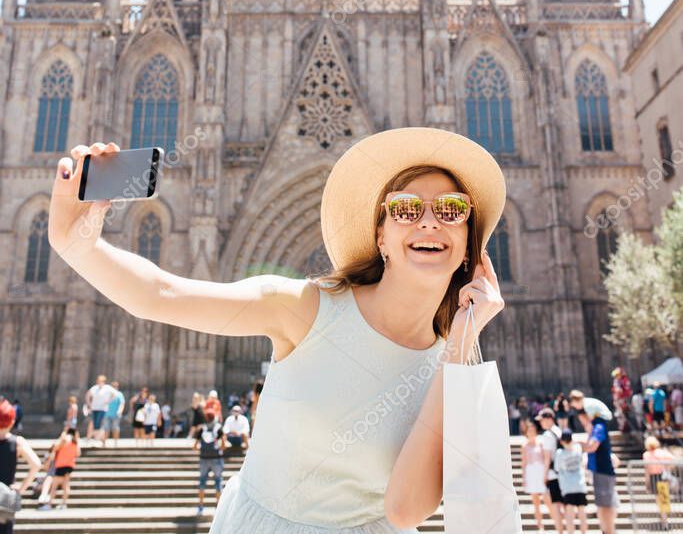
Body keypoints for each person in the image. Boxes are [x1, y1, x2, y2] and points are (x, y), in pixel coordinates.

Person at [47, 129, 508, 532]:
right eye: (406, 208)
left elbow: (406, 510)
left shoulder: (459, 364)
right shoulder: (303, 309)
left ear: (470, 244)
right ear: (381, 237)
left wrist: (460, 343)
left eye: (452, 209)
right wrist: (78, 245)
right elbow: (162, 294)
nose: (429, 220)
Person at [576, 405, 620, 534]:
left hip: (602, 471)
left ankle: (609, 531)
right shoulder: (596, 427)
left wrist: (576, 444)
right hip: (599, 471)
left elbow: (592, 446)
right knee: (602, 505)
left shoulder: (598, 426)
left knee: (605, 505)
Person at [0, 399, 41, 534]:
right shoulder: (17, 442)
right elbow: (36, 464)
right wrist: (21, 489)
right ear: (12, 421)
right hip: (7, 495)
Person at [536, 407, 565, 534]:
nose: (540, 423)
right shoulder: (559, 431)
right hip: (563, 472)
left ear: (549, 419)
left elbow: (547, 457)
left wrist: (544, 475)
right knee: (561, 504)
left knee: (555, 505)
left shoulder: (548, 435)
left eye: (542, 420)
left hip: (553, 474)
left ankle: (560, 531)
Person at [553, 429, 588, 534]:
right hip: (580, 484)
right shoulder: (577, 448)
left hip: (568, 487)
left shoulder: (559, 453)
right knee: (582, 514)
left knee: (570, 515)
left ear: (562, 441)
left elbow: (557, 468)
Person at [38, 427, 80, 511]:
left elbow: (55, 448)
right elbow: (78, 454)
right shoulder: (75, 442)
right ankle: (64, 504)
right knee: (66, 485)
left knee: (55, 485)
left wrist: (62, 436)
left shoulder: (65, 439)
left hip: (61, 464)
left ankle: (49, 504)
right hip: (70, 465)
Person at [194, 409, 226, 516]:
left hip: (204, 458)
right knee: (218, 481)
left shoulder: (201, 429)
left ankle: (201, 505)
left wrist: (202, 451)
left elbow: (195, 446)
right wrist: (220, 449)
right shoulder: (218, 428)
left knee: (202, 481)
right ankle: (218, 506)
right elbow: (223, 444)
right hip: (216, 458)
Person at [642, 434, 677, 525]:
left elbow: (647, 470)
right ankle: (664, 519)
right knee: (663, 498)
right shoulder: (661, 452)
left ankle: (664, 518)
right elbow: (672, 459)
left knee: (659, 499)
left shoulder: (646, 455)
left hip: (654, 477)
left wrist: (647, 483)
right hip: (662, 476)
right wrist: (667, 468)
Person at [521, 418, 547, 533]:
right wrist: (524, 477)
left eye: (533, 430)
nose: (531, 432)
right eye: (529, 430)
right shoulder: (524, 446)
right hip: (531, 471)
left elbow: (545, 458)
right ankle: (540, 526)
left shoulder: (541, 443)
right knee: (535, 502)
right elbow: (524, 463)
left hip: (541, 470)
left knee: (547, 499)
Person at [85, 375, 116, 445]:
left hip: (102, 409)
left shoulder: (107, 388)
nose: (99, 382)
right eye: (98, 380)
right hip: (94, 408)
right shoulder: (94, 388)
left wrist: (108, 401)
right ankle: (102, 441)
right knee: (96, 425)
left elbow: (115, 394)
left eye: (100, 381)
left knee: (98, 424)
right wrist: (89, 404)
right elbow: (87, 394)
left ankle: (94, 439)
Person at [102, 381, 125, 446]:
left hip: (116, 414)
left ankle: (116, 443)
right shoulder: (107, 394)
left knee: (115, 428)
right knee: (106, 428)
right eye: (113, 386)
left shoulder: (119, 394)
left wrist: (120, 411)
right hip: (107, 414)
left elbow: (122, 403)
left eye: (116, 386)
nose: (115, 387)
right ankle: (104, 443)